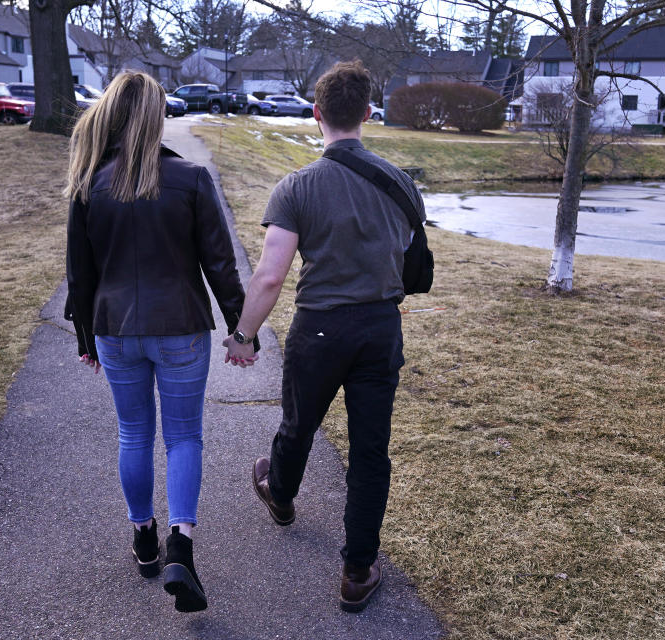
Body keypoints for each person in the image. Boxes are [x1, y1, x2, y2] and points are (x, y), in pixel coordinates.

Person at [223, 60, 425, 613]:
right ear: (366, 113)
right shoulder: (401, 182)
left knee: (298, 424)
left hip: (319, 327)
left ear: (317, 115)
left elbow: (269, 276)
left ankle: (281, 496)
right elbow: (410, 259)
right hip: (380, 327)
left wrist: (244, 335)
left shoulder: (298, 187)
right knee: (369, 451)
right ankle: (357, 570)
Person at [64, 71, 256, 613]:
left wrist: (84, 335)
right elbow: (221, 265)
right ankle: (181, 547)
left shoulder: (88, 182)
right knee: (183, 437)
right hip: (180, 329)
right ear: (157, 116)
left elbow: (79, 273)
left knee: (133, 433)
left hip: (114, 330)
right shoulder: (191, 179)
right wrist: (243, 332)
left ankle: (144, 538)